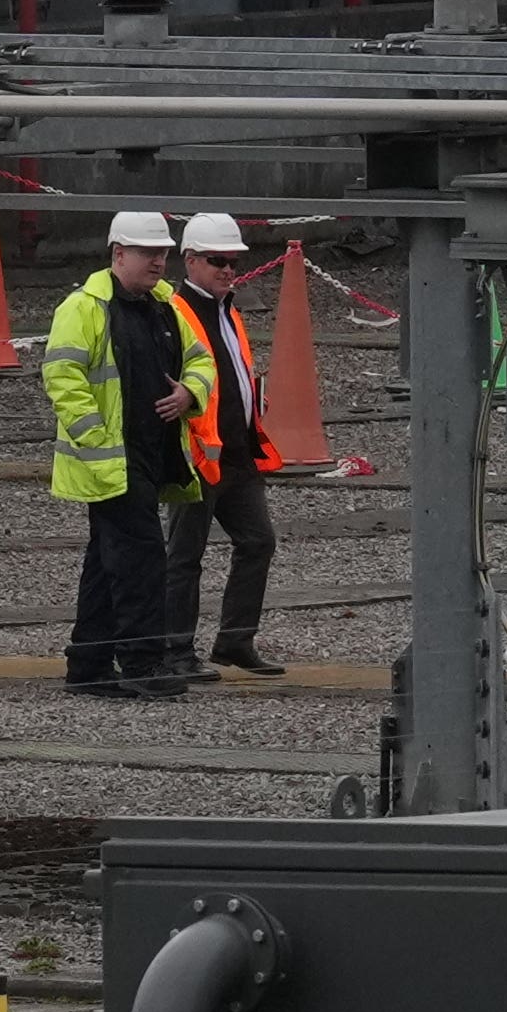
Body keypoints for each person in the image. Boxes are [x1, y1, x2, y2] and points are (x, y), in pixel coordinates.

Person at [47, 213, 193, 698]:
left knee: (108, 560)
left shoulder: (165, 306)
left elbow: (200, 359)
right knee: (140, 559)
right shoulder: (84, 308)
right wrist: (93, 437)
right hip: (113, 460)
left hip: (145, 455)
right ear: (118, 254)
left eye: (163, 253)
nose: (158, 261)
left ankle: (88, 664)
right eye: (148, 252)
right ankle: (141, 663)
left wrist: (190, 393)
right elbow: (61, 376)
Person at [167, 214, 287, 678]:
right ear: (191, 261)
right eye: (218, 260)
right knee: (184, 557)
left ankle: (235, 641)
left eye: (233, 261)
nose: (228, 269)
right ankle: (176, 651)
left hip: (234, 452)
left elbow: (231, 375)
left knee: (258, 542)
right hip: (198, 456)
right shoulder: (177, 313)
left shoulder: (227, 311)